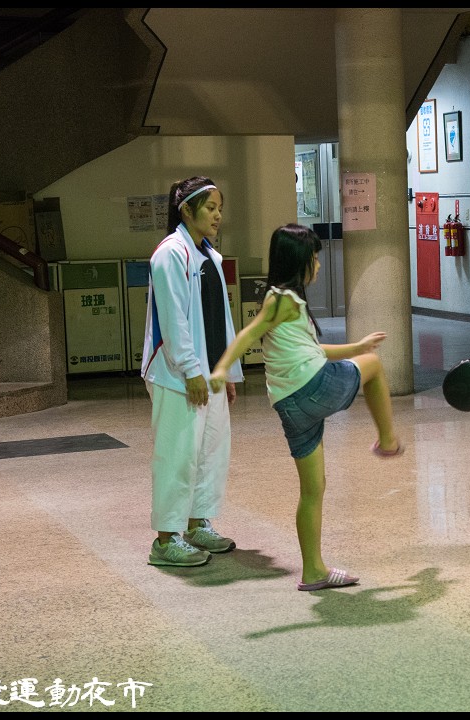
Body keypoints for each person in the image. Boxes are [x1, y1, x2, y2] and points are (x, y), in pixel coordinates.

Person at [209, 223, 403, 591]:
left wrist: (357, 347)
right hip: (311, 389)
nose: (317, 264)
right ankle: (388, 440)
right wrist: (221, 368)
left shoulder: (284, 301)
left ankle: (313, 571)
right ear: (298, 262)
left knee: (314, 489)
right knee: (375, 369)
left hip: (290, 406)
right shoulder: (281, 299)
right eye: (313, 258)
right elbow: (247, 334)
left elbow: (312, 351)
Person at [142, 176, 244, 567]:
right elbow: (173, 321)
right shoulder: (171, 253)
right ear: (186, 210)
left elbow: (221, 320)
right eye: (211, 208)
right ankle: (165, 540)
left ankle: (197, 523)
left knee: (209, 453)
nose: (218, 216)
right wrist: (191, 370)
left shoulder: (209, 256)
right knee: (178, 454)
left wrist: (227, 372)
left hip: (209, 374)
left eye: (220, 208)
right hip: (178, 376)